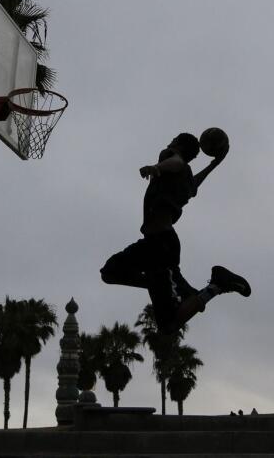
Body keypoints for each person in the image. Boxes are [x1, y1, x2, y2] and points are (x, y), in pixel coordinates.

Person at [100, 132, 250, 334]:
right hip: (156, 244)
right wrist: (215, 164)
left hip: (161, 247)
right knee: (109, 273)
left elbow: (177, 161)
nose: (168, 143)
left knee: (169, 325)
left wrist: (156, 167)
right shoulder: (185, 181)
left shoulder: (171, 158)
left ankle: (217, 285)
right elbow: (194, 181)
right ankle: (176, 289)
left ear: (177, 145)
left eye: (172, 141)